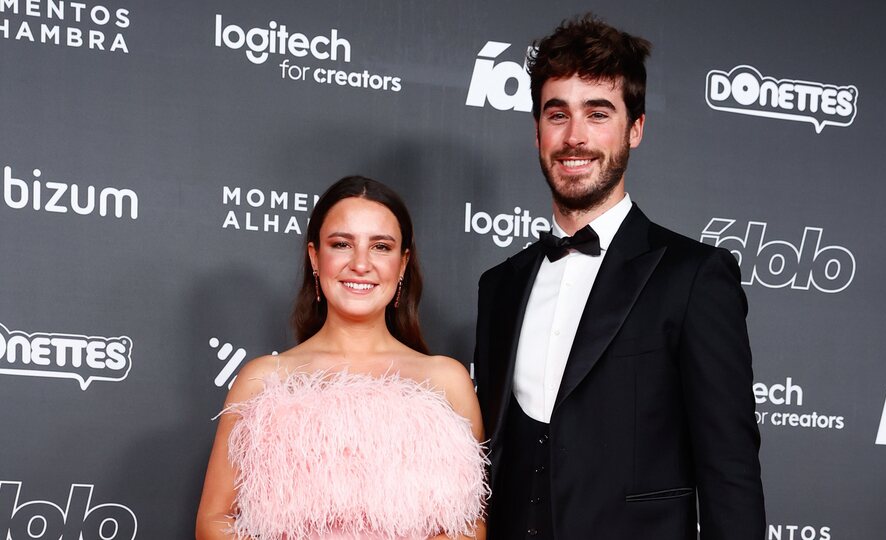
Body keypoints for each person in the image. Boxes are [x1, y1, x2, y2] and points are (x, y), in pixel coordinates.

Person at [474, 14, 765, 540]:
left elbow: (731, 476)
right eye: (556, 114)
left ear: (635, 128)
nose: (575, 136)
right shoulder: (500, 287)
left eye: (598, 113)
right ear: (537, 130)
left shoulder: (694, 278)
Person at [197, 176, 487, 540]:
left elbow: (470, 525)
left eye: (381, 246)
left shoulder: (447, 381)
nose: (361, 264)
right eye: (341, 244)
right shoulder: (262, 381)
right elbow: (215, 521)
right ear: (315, 257)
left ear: (402, 264)